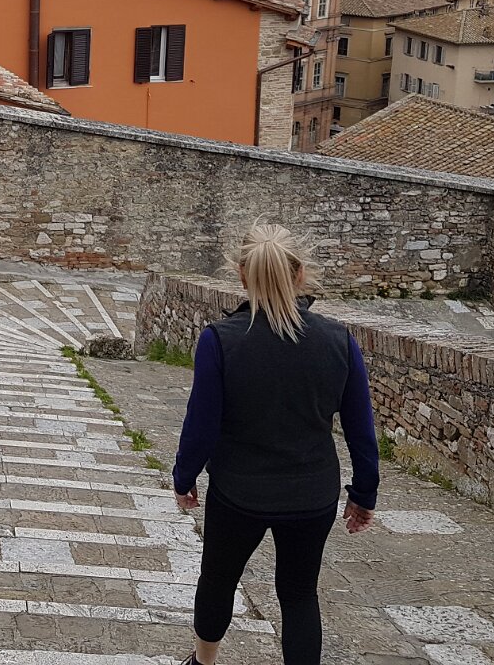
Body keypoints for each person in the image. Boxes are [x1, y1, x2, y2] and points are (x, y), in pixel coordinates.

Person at [170, 224, 380, 665]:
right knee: (300, 594)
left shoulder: (220, 340)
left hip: (238, 491)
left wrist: (184, 476)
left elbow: (201, 424)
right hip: (311, 493)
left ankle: (203, 663)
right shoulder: (338, 341)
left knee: (219, 579)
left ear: (242, 275)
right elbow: (361, 429)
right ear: (300, 273)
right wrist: (364, 493)